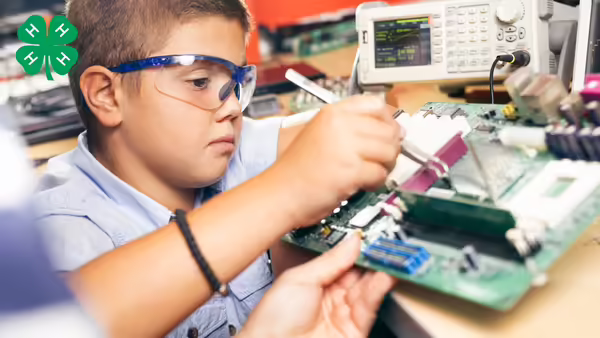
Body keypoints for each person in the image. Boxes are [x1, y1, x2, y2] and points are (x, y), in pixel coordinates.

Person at [36, 0, 404, 336]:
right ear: (106, 94)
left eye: (235, 84)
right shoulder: (58, 231)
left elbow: (342, 135)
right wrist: (285, 191)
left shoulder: (219, 152)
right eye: (200, 82)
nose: (231, 108)